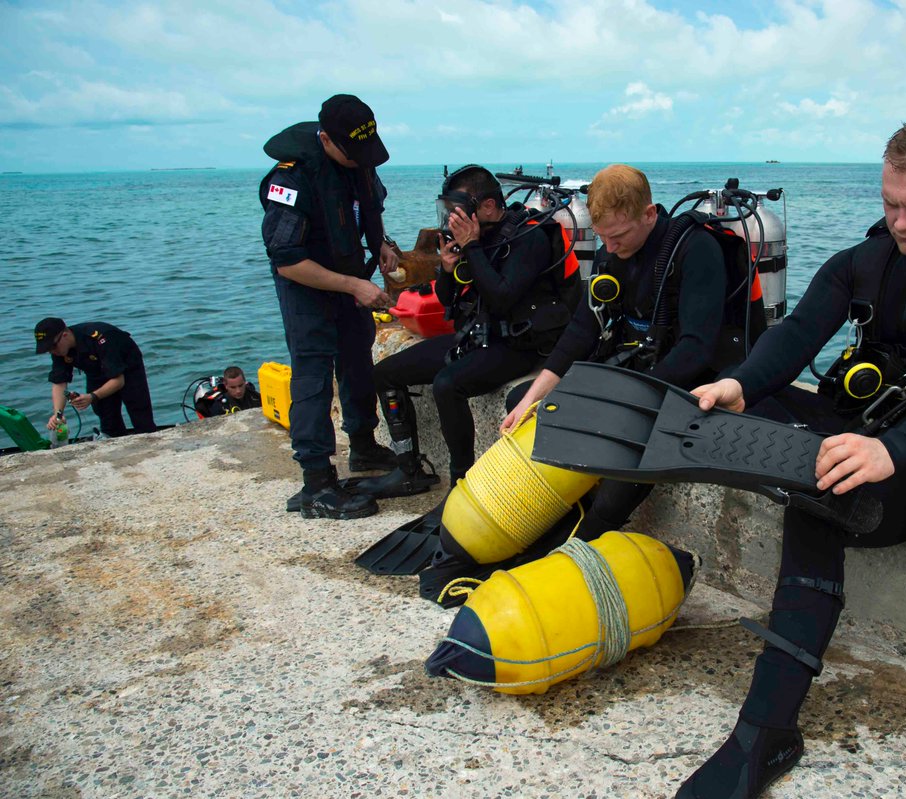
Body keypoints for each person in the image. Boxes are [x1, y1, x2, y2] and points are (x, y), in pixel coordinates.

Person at [676, 116, 906, 798]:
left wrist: (892, 449)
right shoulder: (866, 259)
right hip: (871, 427)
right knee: (726, 408)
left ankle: (767, 728)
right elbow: (797, 331)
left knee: (822, 485)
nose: (901, 222)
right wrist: (741, 382)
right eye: (890, 204)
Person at [503, 163, 753, 540]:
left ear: (649, 214)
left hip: (690, 385)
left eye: (617, 236)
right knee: (523, 401)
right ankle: (557, 507)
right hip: (635, 371)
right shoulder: (612, 251)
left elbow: (696, 349)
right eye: (602, 237)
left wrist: (626, 402)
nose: (608, 247)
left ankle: (589, 538)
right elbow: (581, 331)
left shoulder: (694, 250)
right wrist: (535, 397)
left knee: (625, 461)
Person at [356, 165, 579, 497]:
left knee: (449, 385)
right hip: (479, 335)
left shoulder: (528, 238)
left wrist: (472, 248)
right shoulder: (477, 239)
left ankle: (461, 482)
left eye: (457, 212)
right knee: (385, 374)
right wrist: (446, 268)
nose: (451, 220)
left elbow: (502, 299)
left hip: (522, 344)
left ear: (487, 206)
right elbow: (448, 300)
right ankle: (408, 468)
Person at [260, 94, 403, 520]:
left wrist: (381, 245)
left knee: (358, 358)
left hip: (348, 277)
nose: (361, 160)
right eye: (352, 152)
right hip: (308, 286)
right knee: (313, 373)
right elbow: (287, 261)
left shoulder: (359, 161)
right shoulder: (291, 180)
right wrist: (353, 286)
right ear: (325, 139)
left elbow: (363, 213)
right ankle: (317, 483)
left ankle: (363, 447)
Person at [35, 317, 158, 438]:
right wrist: (58, 414)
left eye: (52, 346)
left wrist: (92, 396)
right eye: (47, 349)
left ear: (65, 334)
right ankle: (114, 439)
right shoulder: (59, 350)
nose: (51, 351)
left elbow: (119, 381)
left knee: (139, 411)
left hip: (127, 367)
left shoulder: (100, 337)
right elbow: (59, 382)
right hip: (96, 371)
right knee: (106, 416)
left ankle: (148, 438)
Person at [194, 366, 262, 418]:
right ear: (226, 385)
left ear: (245, 382)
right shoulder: (219, 406)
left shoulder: (255, 396)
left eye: (240, 385)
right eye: (233, 387)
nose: (238, 391)